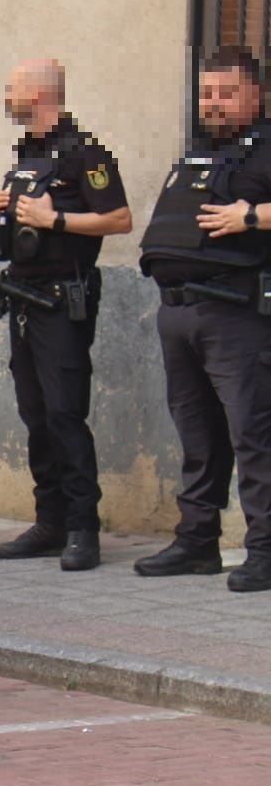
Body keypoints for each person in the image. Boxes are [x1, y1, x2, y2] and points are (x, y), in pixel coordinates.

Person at [0, 59, 132, 572]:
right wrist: (3, 211)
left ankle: (82, 528)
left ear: (38, 94)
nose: (7, 94)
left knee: (66, 414)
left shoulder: (86, 153)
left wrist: (55, 218)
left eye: (12, 86)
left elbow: (119, 218)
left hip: (61, 301)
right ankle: (50, 521)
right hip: (23, 299)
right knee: (36, 415)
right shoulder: (30, 153)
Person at [134, 46, 271, 593]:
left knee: (253, 437)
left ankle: (263, 550)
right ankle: (197, 542)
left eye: (227, 93)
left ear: (256, 95)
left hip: (237, 317)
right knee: (198, 435)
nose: (213, 103)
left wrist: (253, 215)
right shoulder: (202, 152)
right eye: (207, 93)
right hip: (179, 312)